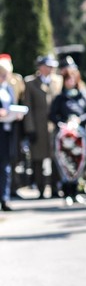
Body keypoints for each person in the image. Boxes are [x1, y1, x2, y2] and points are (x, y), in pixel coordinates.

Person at [49, 65, 86, 205]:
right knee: (66, 163)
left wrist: (79, 120)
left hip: (79, 136)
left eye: (73, 79)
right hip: (65, 137)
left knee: (78, 163)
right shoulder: (60, 98)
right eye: (68, 79)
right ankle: (67, 193)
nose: (71, 82)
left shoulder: (82, 95)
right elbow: (52, 115)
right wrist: (64, 123)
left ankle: (75, 192)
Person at [23, 55, 63, 199]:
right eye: (47, 66)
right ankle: (40, 188)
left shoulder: (58, 81)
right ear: (40, 67)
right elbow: (28, 106)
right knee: (38, 159)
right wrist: (30, 128)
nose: (50, 69)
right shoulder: (30, 83)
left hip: (54, 126)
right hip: (38, 125)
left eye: (52, 66)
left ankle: (55, 187)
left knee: (55, 157)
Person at [0, 57, 25, 211]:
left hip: (8, 131)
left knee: (6, 166)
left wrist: (16, 114)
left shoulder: (8, 88)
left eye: (6, 74)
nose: (4, 77)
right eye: (2, 74)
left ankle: (5, 197)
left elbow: (13, 105)